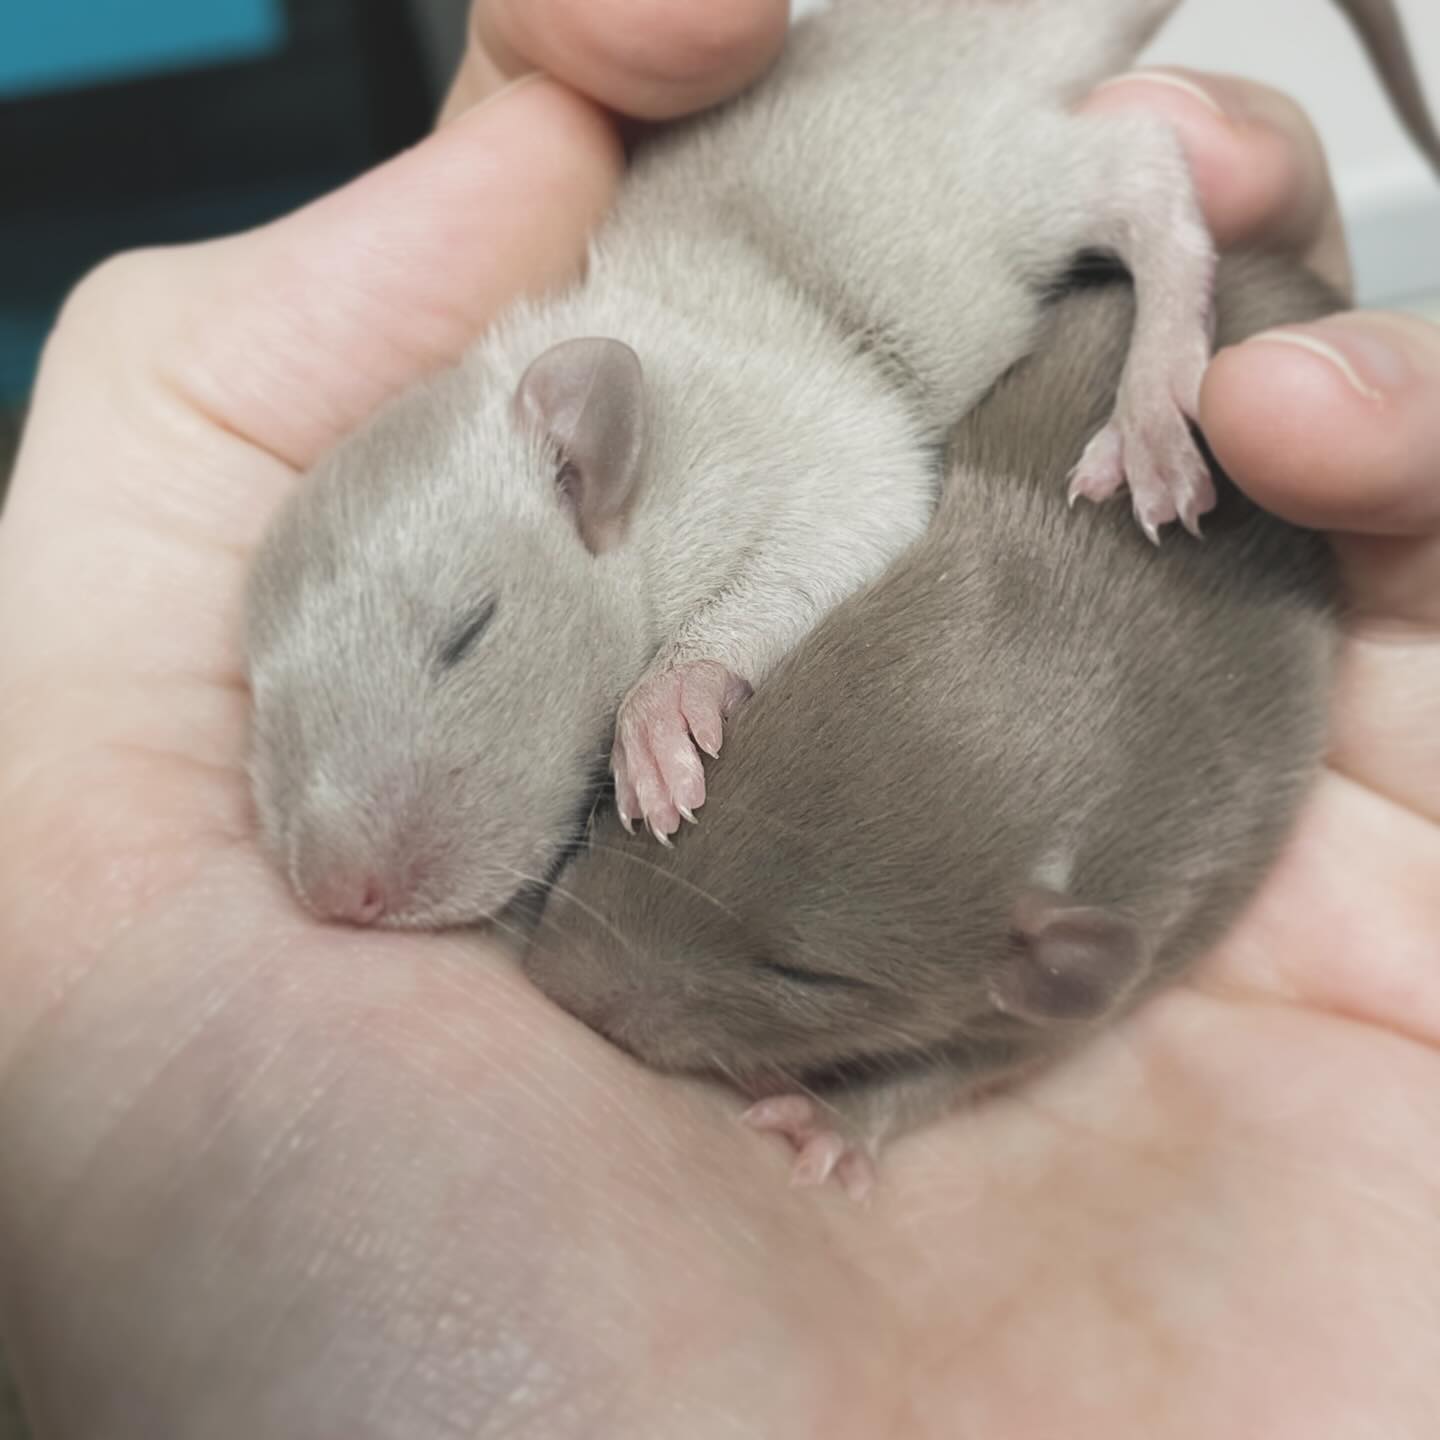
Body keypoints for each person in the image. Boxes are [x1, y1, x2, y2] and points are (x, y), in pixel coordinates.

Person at [1, 2, 1437, 1433]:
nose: (335, 865)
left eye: (463, 647)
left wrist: (713, 655)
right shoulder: (501, 497)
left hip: (879, 235)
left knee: (1112, 219)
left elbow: (864, 480)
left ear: (587, 465)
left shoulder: (670, 432)